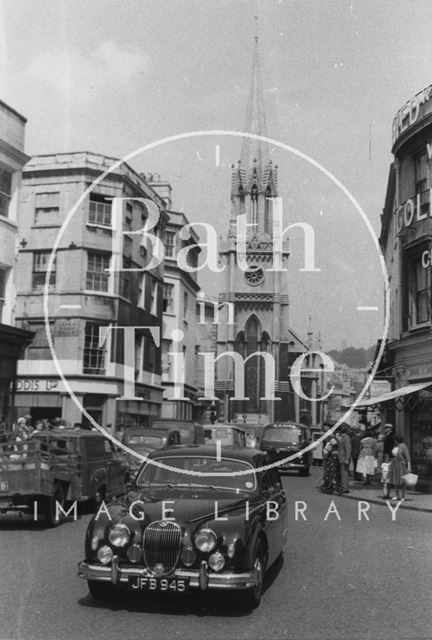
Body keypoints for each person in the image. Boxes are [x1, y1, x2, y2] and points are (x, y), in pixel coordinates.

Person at [390, 434, 411, 501]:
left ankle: (403, 496)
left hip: (401, 464)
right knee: (395, 480)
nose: (394, 441)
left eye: (395, 440)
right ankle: (397, 495)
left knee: (402, 481)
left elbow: (407, 456)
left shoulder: (403, 446)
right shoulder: (396, 446)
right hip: (395, 464)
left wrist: (409, 466)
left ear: (396, 440)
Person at [337, 423, 352, 493]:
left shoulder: (346, 438)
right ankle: (344, 486)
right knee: (343, 473)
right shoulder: (342, 437)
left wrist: (347, 459)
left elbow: (348, 449)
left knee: (344, 474)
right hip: (341, 457)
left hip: (344, 458)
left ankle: (345, 488)